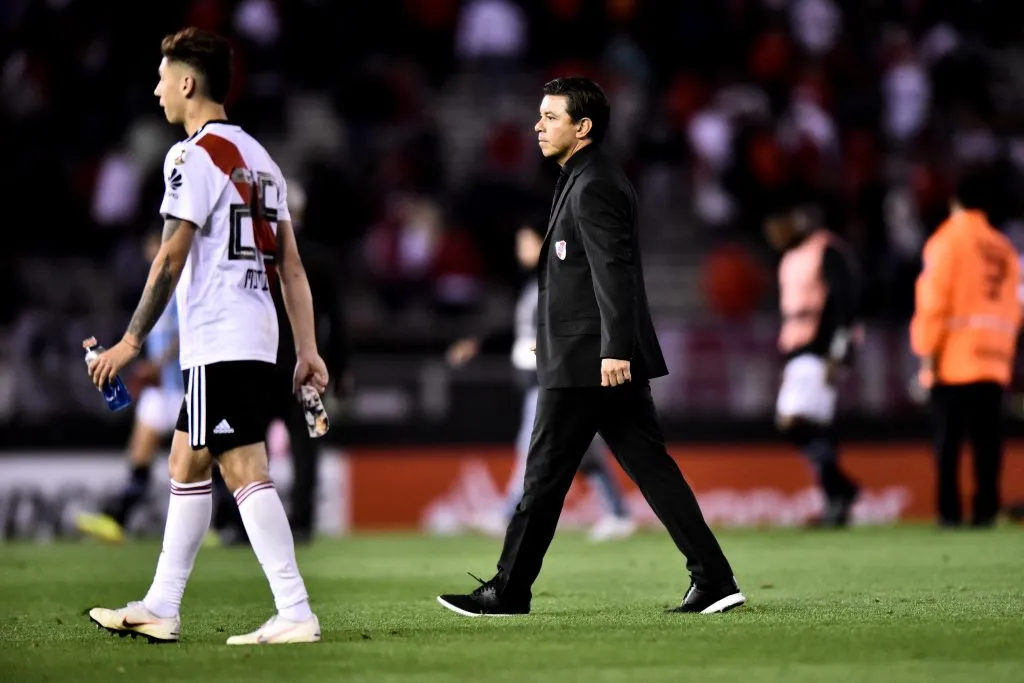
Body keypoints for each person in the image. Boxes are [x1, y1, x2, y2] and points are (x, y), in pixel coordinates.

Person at [437, 77, 744, 617]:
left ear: (583, 127)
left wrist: (613, 349)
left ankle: (509, 591)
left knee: (543, 478)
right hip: (586, 354)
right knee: (649, 468)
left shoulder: (594, 182)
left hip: (590, 364)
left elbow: (614, 272)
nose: (538, 125)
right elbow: (578, 278)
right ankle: (715, 579)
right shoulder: (581, 178)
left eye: (551, 117)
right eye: (540, 115)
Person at [85, 27, 326, 645]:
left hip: (220, 336)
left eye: (163, 76)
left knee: (243, 467)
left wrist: (131, 343)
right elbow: (291, 267)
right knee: (186, 459)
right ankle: (161, 606)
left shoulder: (192, 156)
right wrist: (306, 350)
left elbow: (169, 258)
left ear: (188, 82)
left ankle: (295, 609)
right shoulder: (264, 160)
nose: (158, 88)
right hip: (256, 334)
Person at [446, 221, 636, 542]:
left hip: (552, 378)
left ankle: (509, 512)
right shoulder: (532, 285)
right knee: (585, 450)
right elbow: (516, 328)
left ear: (542, 243)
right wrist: (479, 343)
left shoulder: (560, 279)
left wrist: (557, 346)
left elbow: (579, 320)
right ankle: (618, 513)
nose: (520, 250)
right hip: (542, 378)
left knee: (530, 444)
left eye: (525, 242)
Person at [910, 173, 1021, 528]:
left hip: (954, 358)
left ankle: (949, 513)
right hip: (995, 358)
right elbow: (1015, 304)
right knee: (988, 443)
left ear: (954, 201)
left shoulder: (947, 241)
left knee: (949, 444)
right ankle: (985, 511)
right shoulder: (1004, 247)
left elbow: (934, 302)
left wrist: (927, 354)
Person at [76, 231, 191, 544]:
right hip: (160, 389)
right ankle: (119, 520)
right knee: (139, 454)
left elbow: (187, 333)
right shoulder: (155, 289)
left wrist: (159, 363)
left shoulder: (183, 285)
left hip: (184, 387)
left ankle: (223, 524)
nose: (150, 253)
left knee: (203, 463)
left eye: (154, 246)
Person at [764, 203, 862, 527]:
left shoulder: (827, 251)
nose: (773, 235)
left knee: (794, 421)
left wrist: (838, 351)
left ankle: (841, 491)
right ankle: (836, 498)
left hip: (819, 349)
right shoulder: (793, 257)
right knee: (817, 428)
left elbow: (847, 302)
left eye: (779, 226)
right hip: (798, 347)